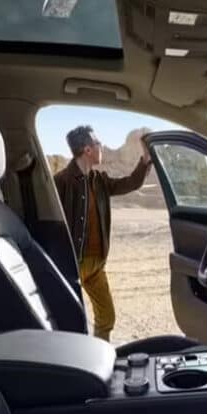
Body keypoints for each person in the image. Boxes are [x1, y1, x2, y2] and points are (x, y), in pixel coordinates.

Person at [54, 125, 152, 341]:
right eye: (98, 143)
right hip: (73, 264)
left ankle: (101, 353)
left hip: (97, 265)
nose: (102, 147)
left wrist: (146, 158)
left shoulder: (99, 180)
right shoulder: (61, 182)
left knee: (106, 318)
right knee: (71, 321)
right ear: (88, 150)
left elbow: (130, 183)